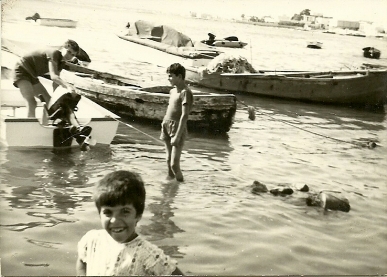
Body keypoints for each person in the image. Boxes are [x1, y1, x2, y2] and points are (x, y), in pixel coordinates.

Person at [76, 170, 184, 275]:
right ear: (99, 214)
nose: (115, 220)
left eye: (125, 212)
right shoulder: (91, 241)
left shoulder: (148, 255)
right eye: (108, 212)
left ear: (138, 215)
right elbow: (82, 262)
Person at [13, 39, 80, 117]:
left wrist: (57, 98)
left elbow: (55, 83)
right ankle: (29, 127)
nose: (69, 56)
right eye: (68, 52)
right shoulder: (54, 53)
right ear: (62, 48)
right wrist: (69, 86)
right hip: (21, 70)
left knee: (49, 103)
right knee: (31, 102)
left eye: (72, 55)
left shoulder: (61, 62)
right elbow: (54, 77)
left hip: (32, 75)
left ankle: (45, 126)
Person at [160, 63, 193, 182]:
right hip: (167, 124)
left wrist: (177, 136)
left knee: (174, 164)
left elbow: (184, 115)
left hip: (177, 127)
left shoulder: (185, 92)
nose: (169, 79)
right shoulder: (172, 91)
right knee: (168, 161)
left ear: (179, 76)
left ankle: (180, 184)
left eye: (171, 76)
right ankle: (170, 187)